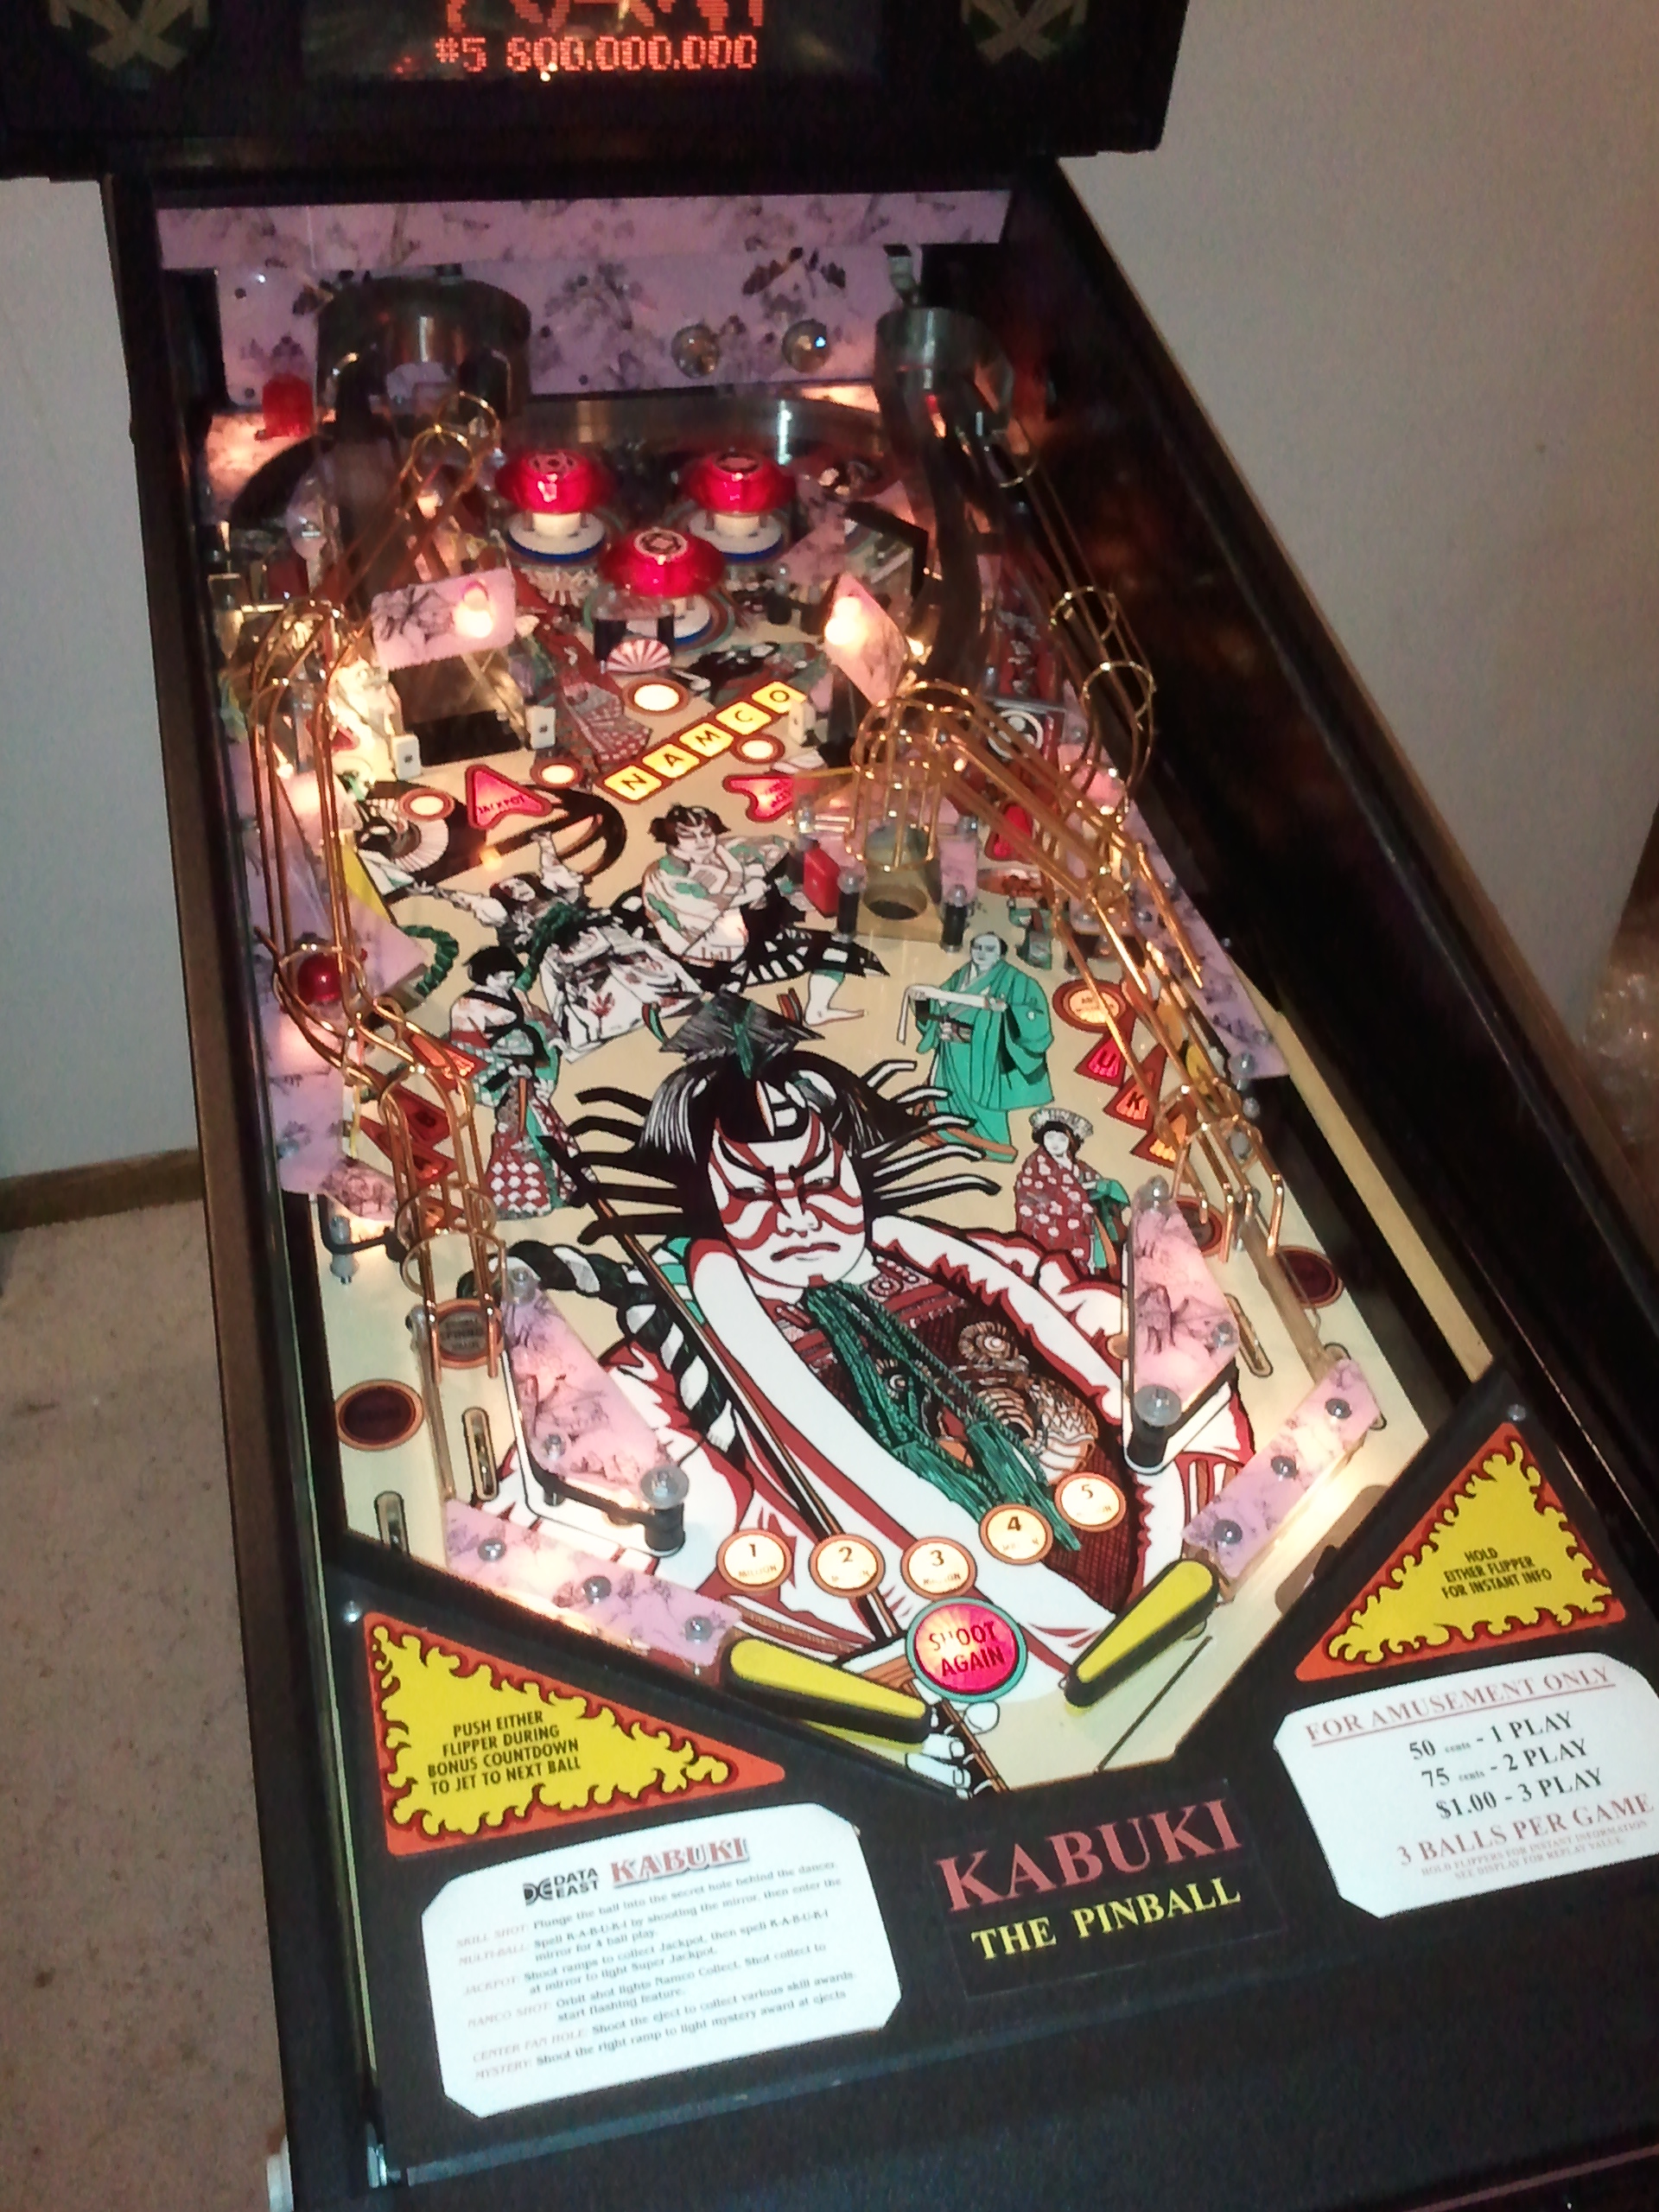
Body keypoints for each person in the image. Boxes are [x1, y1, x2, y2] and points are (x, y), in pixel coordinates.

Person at [504, 999, 1252, 1715]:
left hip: (1160, 1605)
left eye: (819, 1180)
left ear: (855, 1171)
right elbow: (564, 1547)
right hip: (892, 1686)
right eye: (756, 1192)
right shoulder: (667, 1370)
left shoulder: (980, 1266)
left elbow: (1131, 1337)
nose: (798, 1216)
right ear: (708, 1202)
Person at [637, 804, 880, 1026]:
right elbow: (702, 907)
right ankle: (725, 1003)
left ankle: (817, 1008)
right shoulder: (662, 874)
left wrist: (796, 860)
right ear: (672, 839)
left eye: (706, 833)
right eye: (690, 836)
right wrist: (754, 888)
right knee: (748, 930)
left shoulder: (724, 850)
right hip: (701, 950)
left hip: (752, 930)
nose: (702, 841)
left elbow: (771, 847)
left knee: (833, 945)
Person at [446, 946, 574, 1219]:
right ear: (487, 975)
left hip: (532, 1069)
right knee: (519, 1134)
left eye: (511, 977)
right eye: (503, 977)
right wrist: (508, 1071)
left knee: (546, 1126)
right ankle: (518, 1199)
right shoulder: (466, 1007)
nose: (508, 982)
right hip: (502, 1077)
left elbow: (540, 1020)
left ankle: (560, 1189)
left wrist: (552, 1040)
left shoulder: (516, 995)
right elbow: (466, 1049)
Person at [915, 931, 1054, 1160]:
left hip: (984, 1053)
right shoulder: (962, 975)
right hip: (951, 1050)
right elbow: (941, 1003)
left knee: (982, 1102)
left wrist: (1003, 1013)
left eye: (990, 949)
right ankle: (941, 1132)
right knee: (946, 1095)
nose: (982, 953)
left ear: (1001, 954)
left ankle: (993, 1148)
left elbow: (1035, 1017)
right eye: (978, 947)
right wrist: (924, 1002)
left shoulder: (1016, 980)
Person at [1014, 1107, 1129, 1278]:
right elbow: (1031, 1194)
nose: (1055, 1143)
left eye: (1061, 1138)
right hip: (1050, 1223)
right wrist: (1078, 1195)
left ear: (1071, 1141)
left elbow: (1094, 1184)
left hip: (1085, 1224)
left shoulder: (1080, 1167)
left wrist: (1098, 1188)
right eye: (1050, 1137)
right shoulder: (1035, 1165)